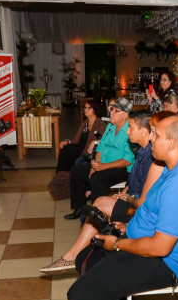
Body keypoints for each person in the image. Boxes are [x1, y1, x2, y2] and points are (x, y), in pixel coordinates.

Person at [67, 115, 178, 300]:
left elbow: (160, 247)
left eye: (157, 135)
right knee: (85, 259)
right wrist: (127, 227)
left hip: (165, 263)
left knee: (78, 295)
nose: (151, 139)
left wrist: (116, 244)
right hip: (146, 241)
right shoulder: (177, 166)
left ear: (172, 144)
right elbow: (152, 211)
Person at [41, 111, 163, 274]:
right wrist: (124, 193)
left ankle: (73, 256)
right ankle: (78, 256)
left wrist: (127, 197)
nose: (128, 131)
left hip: (139, 211)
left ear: (144, 132)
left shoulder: (152, 158)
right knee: (97, 204)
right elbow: (134, 181)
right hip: (132, 203)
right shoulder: (142, 152)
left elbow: (144, 199)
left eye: (131, 128)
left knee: (98, 206)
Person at [65, 97, 136, 220]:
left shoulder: (130, 130)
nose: (111, 113)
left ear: (125, 115)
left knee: (97, 178)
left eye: (115, 111)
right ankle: (79, 208)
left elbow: (127, 160)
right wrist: (95, 164)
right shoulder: (111, 126)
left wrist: (102, 167)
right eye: (111, 109)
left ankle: (99, 214)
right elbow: (101, 146)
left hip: (120, 168)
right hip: (102, 164)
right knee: (76, 171)